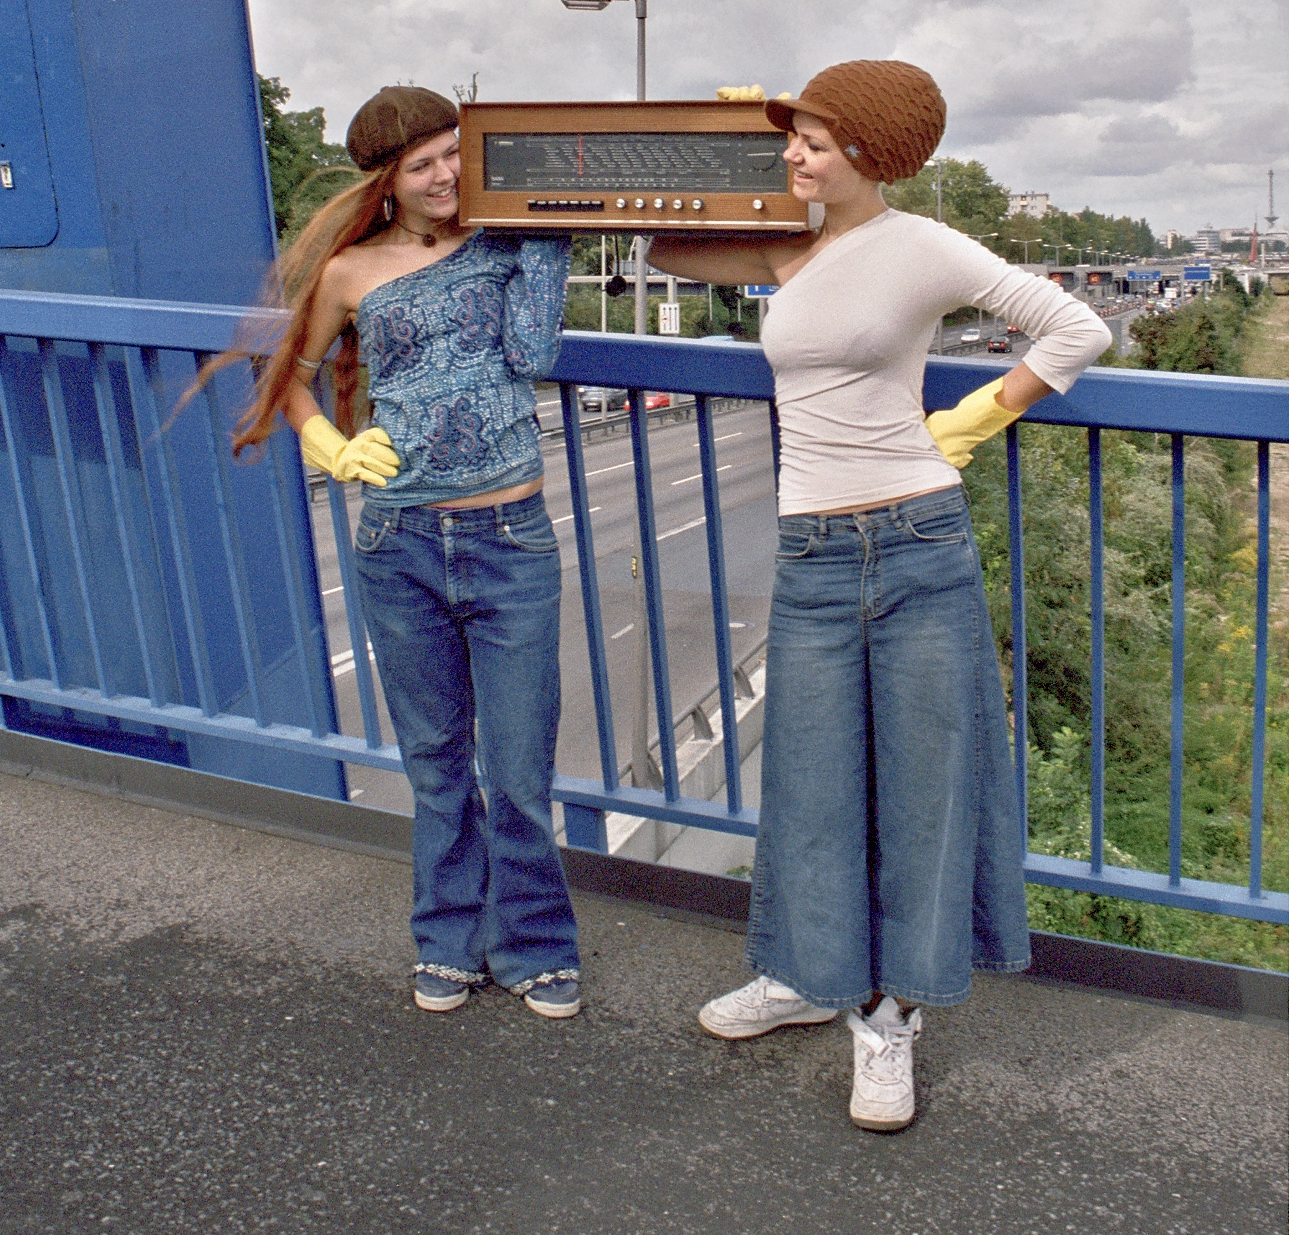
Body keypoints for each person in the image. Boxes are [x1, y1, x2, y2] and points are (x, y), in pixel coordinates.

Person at [648, 60, 1110, 1131]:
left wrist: (984, 413)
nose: (791, 154)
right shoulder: (792, 249)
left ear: (869, 151)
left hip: (914, 538)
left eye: (810, 138)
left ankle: (889, 1020)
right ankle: (808, 978)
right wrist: (704, 150)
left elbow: (1075, 329)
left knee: (919, 789)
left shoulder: (924, 247)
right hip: (811, 550)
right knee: (810, 781)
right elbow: (662, 245)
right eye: (789, 137)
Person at [230, 85, 581, 1019]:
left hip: (509, 538)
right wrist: (326, 443)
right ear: (386, 180)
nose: (441, 176)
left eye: (451, 154)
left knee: (517, 770)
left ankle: (538, 943)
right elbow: (292, 378)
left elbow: (532, 354)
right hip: (398, 540)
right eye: (418, 164)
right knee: (434, 765)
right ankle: (446, 940)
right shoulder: (348, 271)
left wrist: (550, 235)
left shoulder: (511, 242)